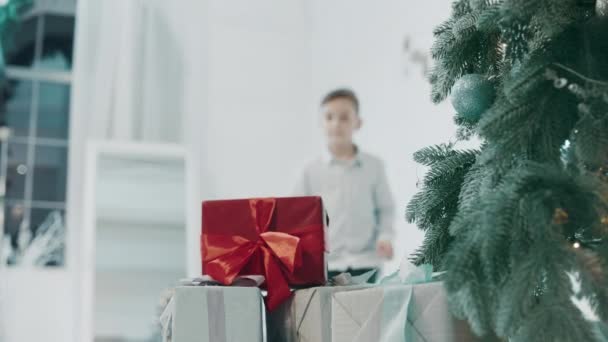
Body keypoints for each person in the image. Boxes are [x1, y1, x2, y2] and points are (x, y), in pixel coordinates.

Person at [294, 88, 395, 282]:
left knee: (366, 310)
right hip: (326, 264)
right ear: (320, 123)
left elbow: (386, 209)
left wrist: (385, 237)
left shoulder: (374, 166)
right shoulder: (310, 170)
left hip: (366, 263)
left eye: (344, 117)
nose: (336, 124)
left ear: (358, 123)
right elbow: (297, 216)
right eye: (329, 117)